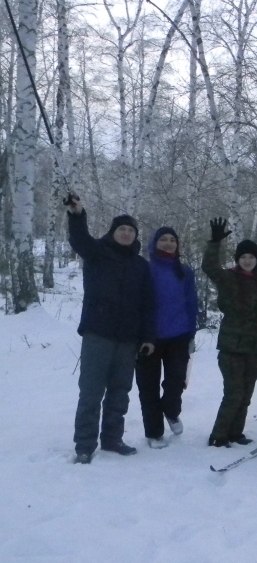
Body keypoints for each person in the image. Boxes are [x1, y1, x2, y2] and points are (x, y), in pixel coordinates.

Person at [66, 195, 155, 463]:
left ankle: (112, 438)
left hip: (128, 340)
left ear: (135, 236)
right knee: (91, 391)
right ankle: (84, 445)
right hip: (98, 333)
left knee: (120, 391)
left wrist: (148, 337)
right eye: (122, 229)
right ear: (113, 232)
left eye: (131, 230)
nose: (126, 233)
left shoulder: (141, 266)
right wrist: (77, 214)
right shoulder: (97, 253)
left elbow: (148, 304)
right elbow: (79, 239)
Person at [202, 218, 257, 447]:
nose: (247, 260)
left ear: (256, 260)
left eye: (251, 257)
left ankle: (236, 432)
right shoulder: (228, 278)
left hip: (254, 347)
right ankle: (219, 435)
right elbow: (209, 267)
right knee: (233, 394)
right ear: (238, 259)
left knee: (245, 395)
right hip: (232, 347)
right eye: (243, 257)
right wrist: (214, 242)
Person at [136, 226, 198, 449]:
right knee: (148, 387)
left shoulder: (185, 271)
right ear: (154, 243)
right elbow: (139, 305)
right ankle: (154, 433)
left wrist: (192, 332)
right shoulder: (146, 270)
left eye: (173, 239)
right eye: (164, 239)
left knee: (175, 385)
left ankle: (171, 413)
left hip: (179, 337)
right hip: (149, 339)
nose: (169, 243)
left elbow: (192, 303)